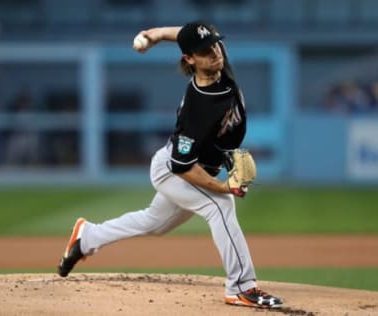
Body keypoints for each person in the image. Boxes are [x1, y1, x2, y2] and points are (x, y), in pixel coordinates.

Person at [57, 21, 283, 309]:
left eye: (214, 44)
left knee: (155, 222)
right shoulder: (196, 108)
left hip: (194, 167)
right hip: (173, 170)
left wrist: (156, 34)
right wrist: (223, 186)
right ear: (190, 59)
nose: (214, 52)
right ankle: (241, 287)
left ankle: (87, 236)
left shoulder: (217, 64)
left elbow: (188, 34)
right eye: (204, 50)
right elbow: (182, 167)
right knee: (220, 205)